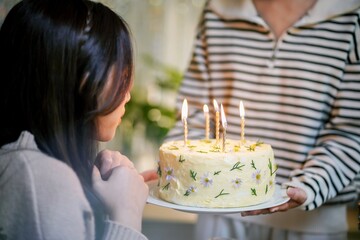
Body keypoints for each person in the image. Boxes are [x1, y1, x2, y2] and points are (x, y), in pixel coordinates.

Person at [166, 0, 360, 239]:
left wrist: (308, 185)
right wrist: (175, 165)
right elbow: (195, 114)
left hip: (309, 223)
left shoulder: (351, 16)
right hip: (220, 216)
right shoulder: (218, 10)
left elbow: (350, 131)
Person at [0, 0, 157, 239]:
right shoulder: (42, 180)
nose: (127, 94)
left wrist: (103, 198)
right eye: (122, 76)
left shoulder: (30, 167)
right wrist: (126, 214)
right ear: (84, 79)